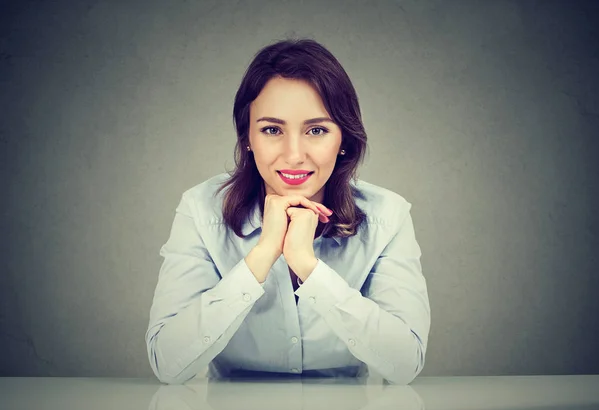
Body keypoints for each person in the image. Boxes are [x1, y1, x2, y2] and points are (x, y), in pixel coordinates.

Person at [145, 38, 431, 385]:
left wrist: (307, 266)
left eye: (316, 130)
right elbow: (167, 364)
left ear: (344, 140)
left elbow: (405, 366)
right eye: (272, 129)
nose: (294, 155)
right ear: (247, 136)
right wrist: (263, 255)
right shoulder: (201, 209)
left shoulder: (388, 215)